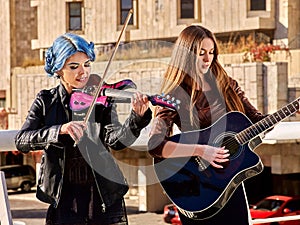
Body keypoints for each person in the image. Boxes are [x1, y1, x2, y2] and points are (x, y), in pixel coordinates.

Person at [15, 33, 152, 225]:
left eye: (87, 64)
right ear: (58, 69)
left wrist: (136, 118)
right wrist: (59, 130)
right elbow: (22, 140)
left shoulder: (100, 98)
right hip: (64, 199)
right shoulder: (46, 101)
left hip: (103, 195)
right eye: (74, 66)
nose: (83, 72)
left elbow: (115, 140)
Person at [147, 25, 275, 225]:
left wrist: (290, 110)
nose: (208, 59)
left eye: (211, 52)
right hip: (195, 187)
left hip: (230, 182)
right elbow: (155, 145)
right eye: (201, 53)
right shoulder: (173, 95)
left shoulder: (227, 84)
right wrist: (201, 150)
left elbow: (258, 121)